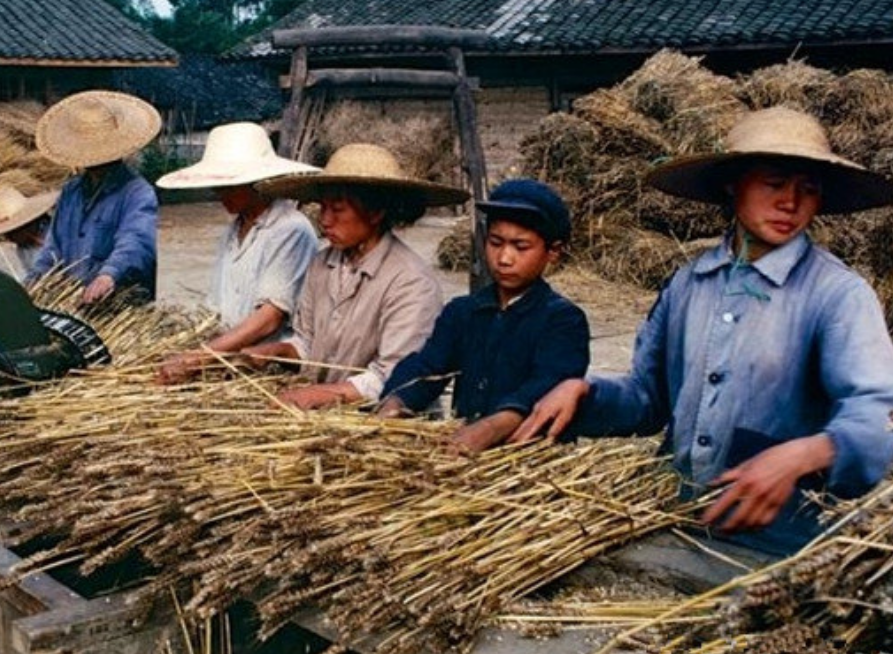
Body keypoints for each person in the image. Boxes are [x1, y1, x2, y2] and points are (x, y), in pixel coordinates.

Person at [512, 107, 893, 555]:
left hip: (784, 547)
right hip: (681, 523)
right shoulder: (689, 284)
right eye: (773, 184)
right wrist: (585, 392)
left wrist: (804, 454)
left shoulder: (836, 294)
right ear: (733, 185)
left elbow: (876, 417)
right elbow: (647, 400)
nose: (790, 202)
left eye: (808, 189)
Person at [244, 143, 469, 410]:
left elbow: (394, 376)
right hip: (327, 412)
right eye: (323, 207)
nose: (324, 220)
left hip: (382, 420)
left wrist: (316, 395)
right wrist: (278, 351)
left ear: (375, 212)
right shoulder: (322, 263)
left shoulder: (411, 282)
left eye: (337, 209)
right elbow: (308, 342)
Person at [377, 179, 590, 451]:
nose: (504, 258)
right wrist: (397, 401)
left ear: (553, 252)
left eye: (521, 247)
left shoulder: (562, 320)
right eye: (495, 242)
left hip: (528, 460)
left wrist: (490, 428)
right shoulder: (463, 312)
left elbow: (547, 384)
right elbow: (427, 367)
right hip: (463, 451)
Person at [155, 123, 320, 383]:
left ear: (257, 183)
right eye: (218, 185)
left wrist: (199, 358)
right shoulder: (232, 232)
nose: (220, 193)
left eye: (230, 185)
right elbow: (219, 309)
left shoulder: (290, 229)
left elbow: (269, 319)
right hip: (228, 359)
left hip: (268, 367)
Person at [26, 91, 160, 305]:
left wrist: (108, 275)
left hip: (120, 304)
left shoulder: (136, 192)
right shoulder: (71, 191)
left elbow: (136, 241)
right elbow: (53, 246)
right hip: (78, 300)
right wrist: (34, 279)